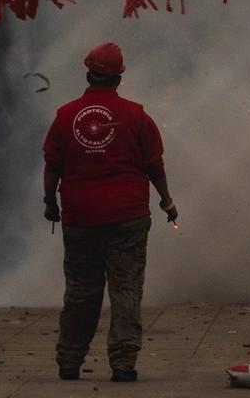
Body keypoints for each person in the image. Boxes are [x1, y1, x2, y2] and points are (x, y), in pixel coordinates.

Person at [42, 42, 178, 383]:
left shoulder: (65, 115)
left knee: (81, 291)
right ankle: (123, 364)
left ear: (88, 74)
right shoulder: (136, 116)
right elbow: (153, 165)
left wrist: (50, 202)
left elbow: (53, 166)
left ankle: (70, 362)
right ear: (118, 79)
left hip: (80, 217)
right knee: (126, 289)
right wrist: (167, 202)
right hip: (128, 218)